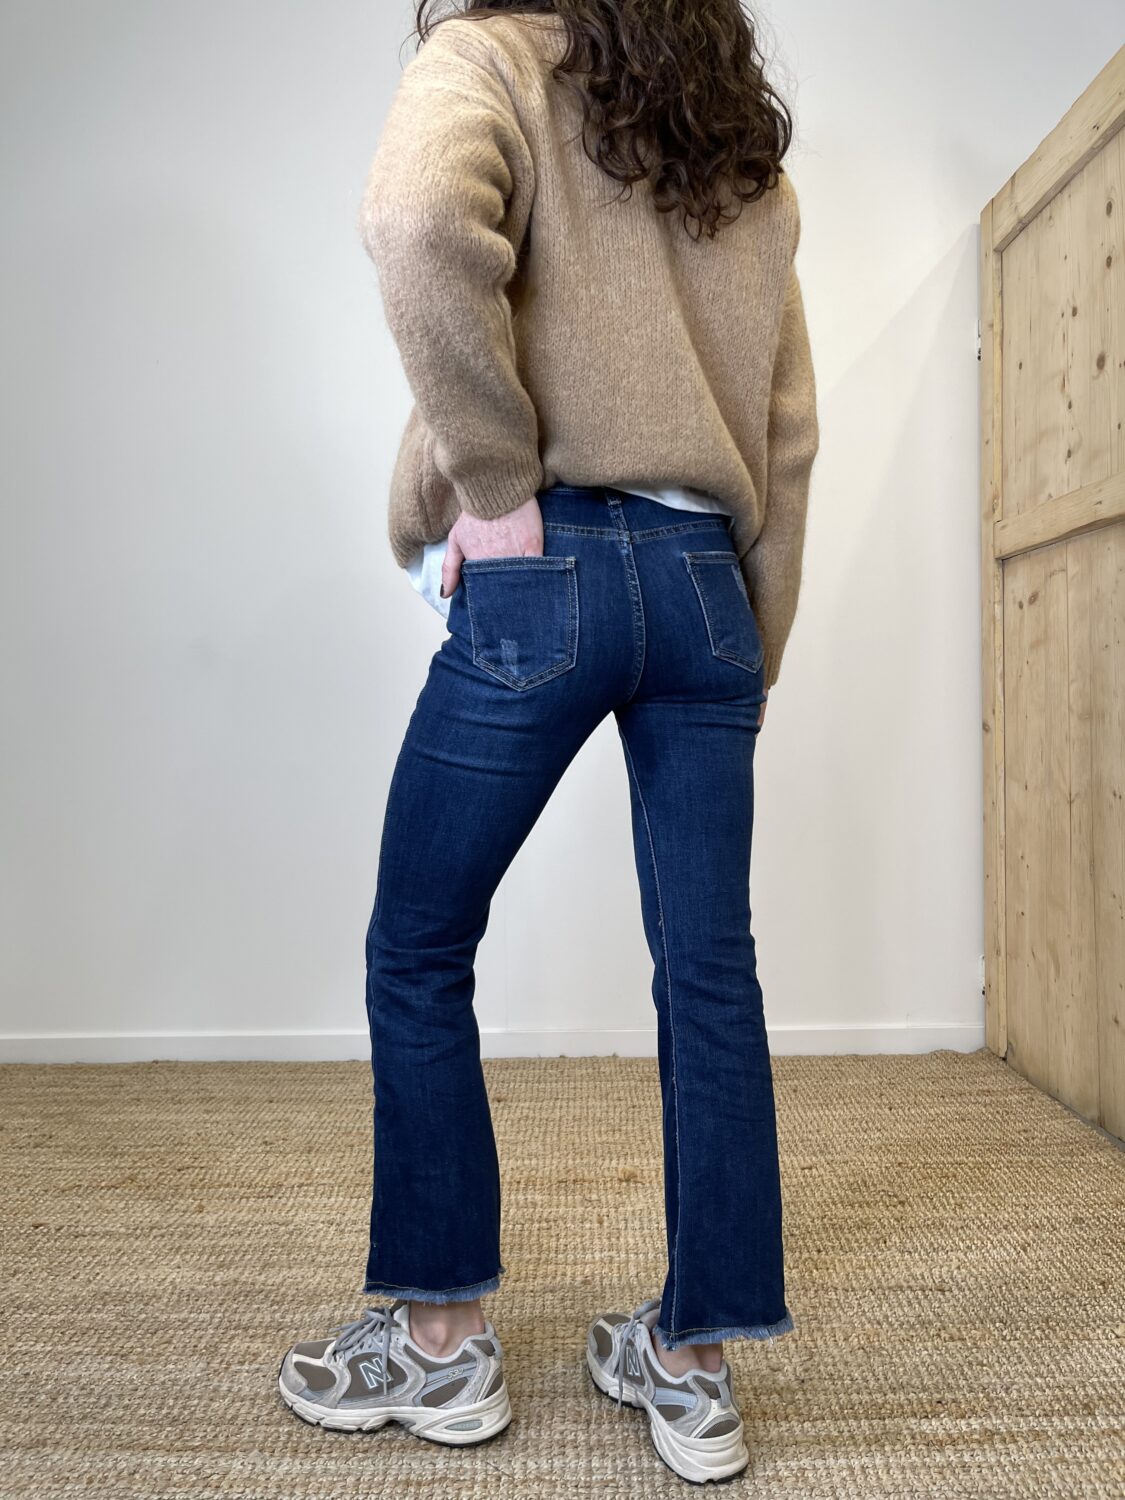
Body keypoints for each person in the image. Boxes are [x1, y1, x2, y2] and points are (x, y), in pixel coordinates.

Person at [278, 0, 819, 1482]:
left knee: (417, 946)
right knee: (711, 976)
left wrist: (495, 485)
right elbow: (784, 432)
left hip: (550, 565)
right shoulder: (735, 148)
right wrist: (747, 649)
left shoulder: (489, 59)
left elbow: (413, 222)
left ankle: (439, 1346)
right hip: (706, 585)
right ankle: (692, 1369)